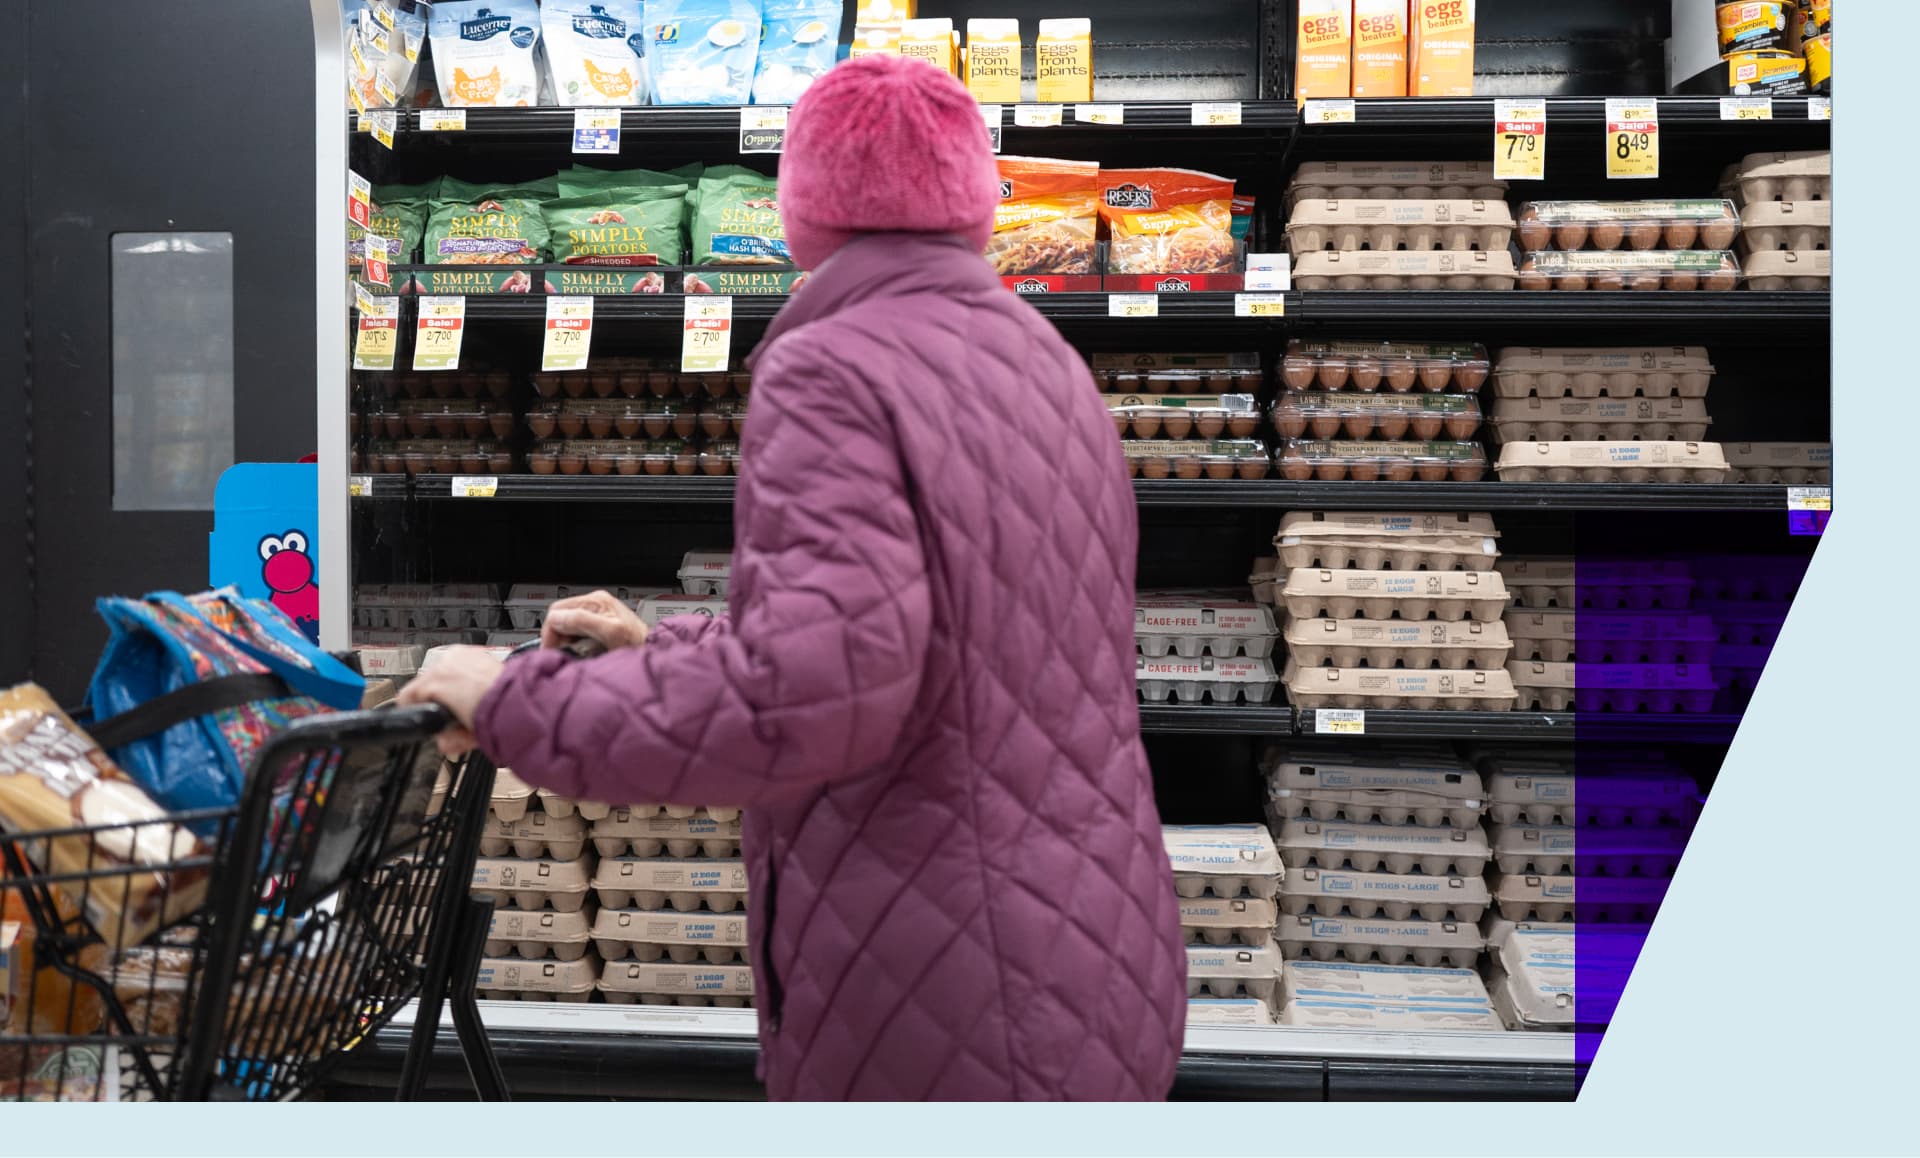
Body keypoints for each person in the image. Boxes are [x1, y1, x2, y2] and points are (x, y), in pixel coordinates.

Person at [397, 53, 1187, 1101]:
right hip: (1090, 941)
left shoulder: (833, 366)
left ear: (801, 208)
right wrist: (669, 649)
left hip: (939, 989)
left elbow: (805, 705)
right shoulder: (1047, 363)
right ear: (975, 198)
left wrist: (515, 699)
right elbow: (947, 648)